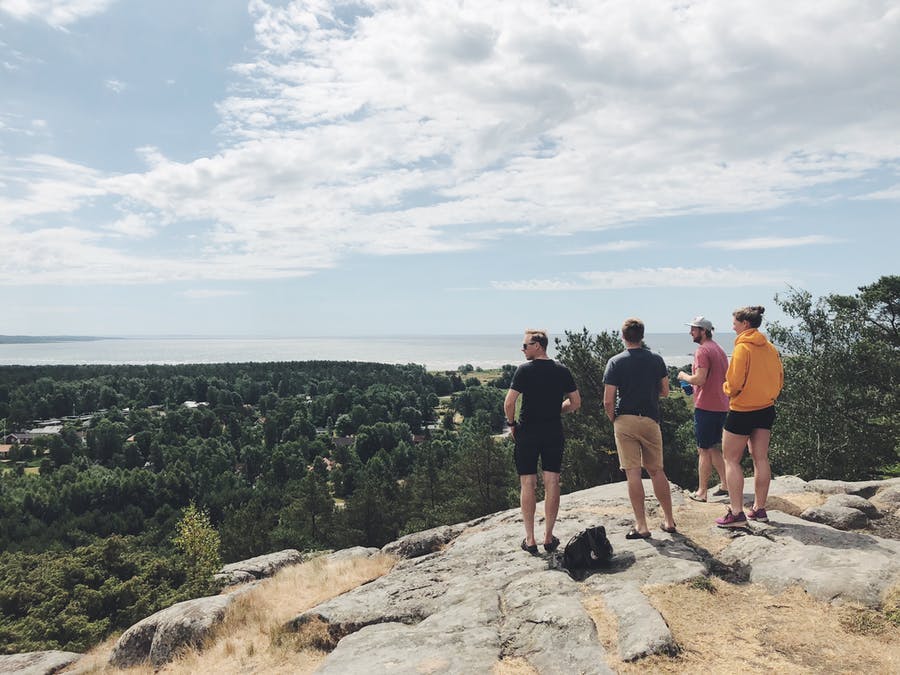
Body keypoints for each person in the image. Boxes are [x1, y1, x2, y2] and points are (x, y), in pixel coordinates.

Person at [504, 329, 581, 555]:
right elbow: (575, 402)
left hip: (527, 431)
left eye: (526, 345)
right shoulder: (562, 370)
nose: (523, 349)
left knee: (528, 483)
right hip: (552, 430)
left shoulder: (524, 371)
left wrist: (511, 425)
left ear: (538, 345)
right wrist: (556, 410)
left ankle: (530, 539)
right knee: (552, 481)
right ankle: (548, 537)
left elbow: (509, 403)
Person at [603, 318, 677, 538]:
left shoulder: (616, 362)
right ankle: (669, 520)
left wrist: (613, 419)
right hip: (650, 419)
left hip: (625, 418)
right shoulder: (656, 360)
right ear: (642, 335)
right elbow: (665, 391)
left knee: (633, 473)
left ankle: (642, 525)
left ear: (623, 336)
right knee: (656, 471)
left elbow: (608, 399)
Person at [715, 306, 784, 528]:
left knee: (731, 459)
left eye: (734, 322)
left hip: (742, 409)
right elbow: (779, 378)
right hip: (766, 407)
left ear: (745, 324)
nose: (732, 326)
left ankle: (736, 514)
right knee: (760, 458)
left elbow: (734, 384)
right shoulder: (771, 348)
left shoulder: (742, 348)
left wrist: (726, 389)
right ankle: (759, 509)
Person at [677, 316, 730, 502]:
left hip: (706, 407)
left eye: (694, 329)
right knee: (714, 448)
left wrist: (684, 376)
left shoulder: (702, 351)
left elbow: (700, 379)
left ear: (704, 331)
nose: (691, 332)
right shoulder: (719, 350)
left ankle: (701, 492)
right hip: (722, 405)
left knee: (703, 450)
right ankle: (725, 485)